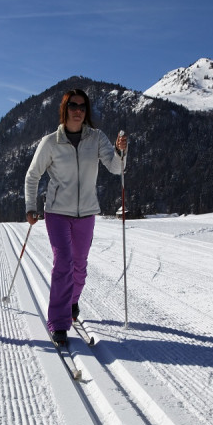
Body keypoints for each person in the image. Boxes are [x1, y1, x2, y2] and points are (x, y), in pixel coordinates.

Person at [24, 88, 127, 346]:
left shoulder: (97, 138)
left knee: (80, 266)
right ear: (65, 109)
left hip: (87, 213)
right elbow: (32, 176)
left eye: (82, 106)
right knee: (64, 263)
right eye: (73, 106)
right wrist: (30, 206)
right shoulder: (50, 142)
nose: (78, 110)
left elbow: (116, 168)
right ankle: (59, 323)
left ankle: (72, 301)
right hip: (57, 212)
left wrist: (120, 151)